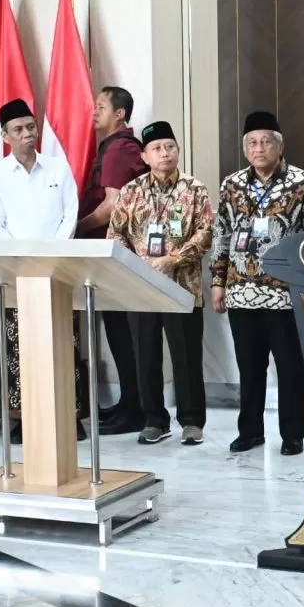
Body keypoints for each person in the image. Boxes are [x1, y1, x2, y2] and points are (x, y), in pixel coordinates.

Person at [211, 111, 304, 456]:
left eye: (266, 141)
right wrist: (218, 281)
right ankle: (250, 431)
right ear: (245, 150)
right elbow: (221, 235)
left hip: (286, 293)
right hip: (241, 290)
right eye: (252, 143)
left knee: (290, 368)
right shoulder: (232, 185)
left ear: (280, 146)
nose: (259, 148)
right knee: (249, 367)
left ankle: (293, 435)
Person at [0, 99, 87, 444]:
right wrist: (23, 261)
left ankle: (70, 415)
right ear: (5, 135)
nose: (27, 134)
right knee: (20, 347)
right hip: (17, 275)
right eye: (18, 130)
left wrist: (51, 256)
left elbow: (68, 214)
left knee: (63, 344)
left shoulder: (57, 168)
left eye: (30, 127)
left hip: (58, 270)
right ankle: (22, 417)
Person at [107, 121, 213, 446]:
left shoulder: (195, 189)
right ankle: (155, 420)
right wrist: (135, 265)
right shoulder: (131, 191)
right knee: (145, 356)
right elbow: (115, 235)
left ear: (178, 151)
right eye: (157, 148)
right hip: (141, 289)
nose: (165, 153)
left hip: (183, 288)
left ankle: (192, 421)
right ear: (144, 155)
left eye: (170, 146)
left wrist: (173, 259)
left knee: (186, 357)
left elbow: (206, 233)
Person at [76, 86, 145, 436]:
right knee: (119, 332)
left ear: (120, 114)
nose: (94, 111)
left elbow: (113, 206)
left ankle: (135, 408)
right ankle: (129, 402)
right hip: (110, 255)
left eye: (101, 106)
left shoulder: (118, 150)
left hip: (115, 255)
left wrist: (77, 227)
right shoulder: (112, 147)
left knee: (123, 333)